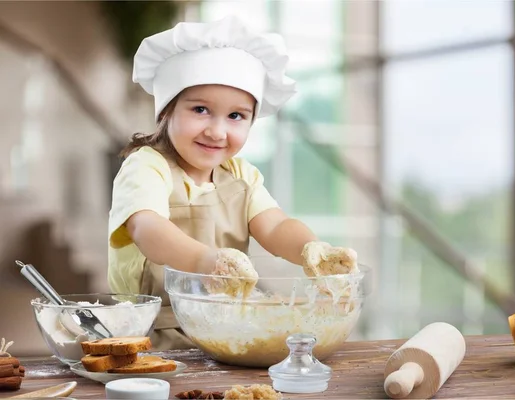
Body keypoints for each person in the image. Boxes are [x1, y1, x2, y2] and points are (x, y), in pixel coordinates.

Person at [107, 15, 359, 350]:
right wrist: (204, 263)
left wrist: (312, 250)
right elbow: (146, 227)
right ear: (166, 111)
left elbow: (275, 227)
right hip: (152, 333)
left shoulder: (242, 175)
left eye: (236, 116)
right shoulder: (147, 166)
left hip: (223, 327)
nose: (217, 131)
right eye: (200, 109)